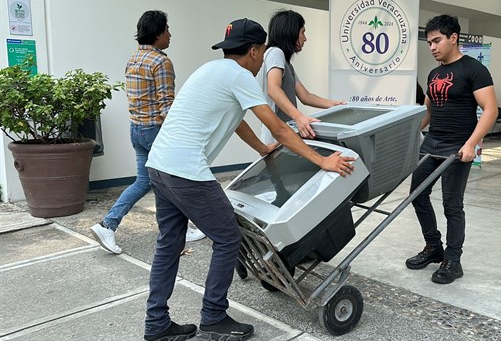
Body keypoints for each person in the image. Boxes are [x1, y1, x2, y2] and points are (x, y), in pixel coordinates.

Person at [142, 18, 355, 341]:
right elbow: (281, 128)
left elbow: (237, 119)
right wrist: (322, 161)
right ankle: (213, 316)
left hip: (159, 165)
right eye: (262, 54)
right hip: (186, 171)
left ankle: (156, 324)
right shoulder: (240, 76)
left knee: (169, 245)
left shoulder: (210, 71)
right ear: (255, 52)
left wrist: (262, 148)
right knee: (228, 237)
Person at [90, 10, 205, 255]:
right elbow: (167, 106)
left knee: (145, 181)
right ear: (158, 33)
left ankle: (107, 225)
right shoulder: (161, 61)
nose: (170, 35)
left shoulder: (133, 59)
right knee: (177, 179)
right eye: (167, 30)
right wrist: (181, 134)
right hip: (156, 131)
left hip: (137, 130)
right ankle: (180, 231)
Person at [404, 15, 498, 284]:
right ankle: (434, 248)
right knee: (417, 195)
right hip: (432, 142)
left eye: (437, 41)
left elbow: (490, 110)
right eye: (429, 42)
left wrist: (471, 144)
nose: (432, 47)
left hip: (458, 145)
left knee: (452, 205)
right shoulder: (434, 73)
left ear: (453, 38)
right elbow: (428, 111)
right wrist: (410, 133)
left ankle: (453, 261)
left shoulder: (474, 70)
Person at [258, 9, 344, 144]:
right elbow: (273, 89)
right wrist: (298, 117)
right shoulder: (275, 53)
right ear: (290, 32)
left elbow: (305, 96)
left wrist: (336, 105)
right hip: (276, 137)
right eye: (302, 32)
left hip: (285, 135)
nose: (305, 38)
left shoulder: (286, 64)